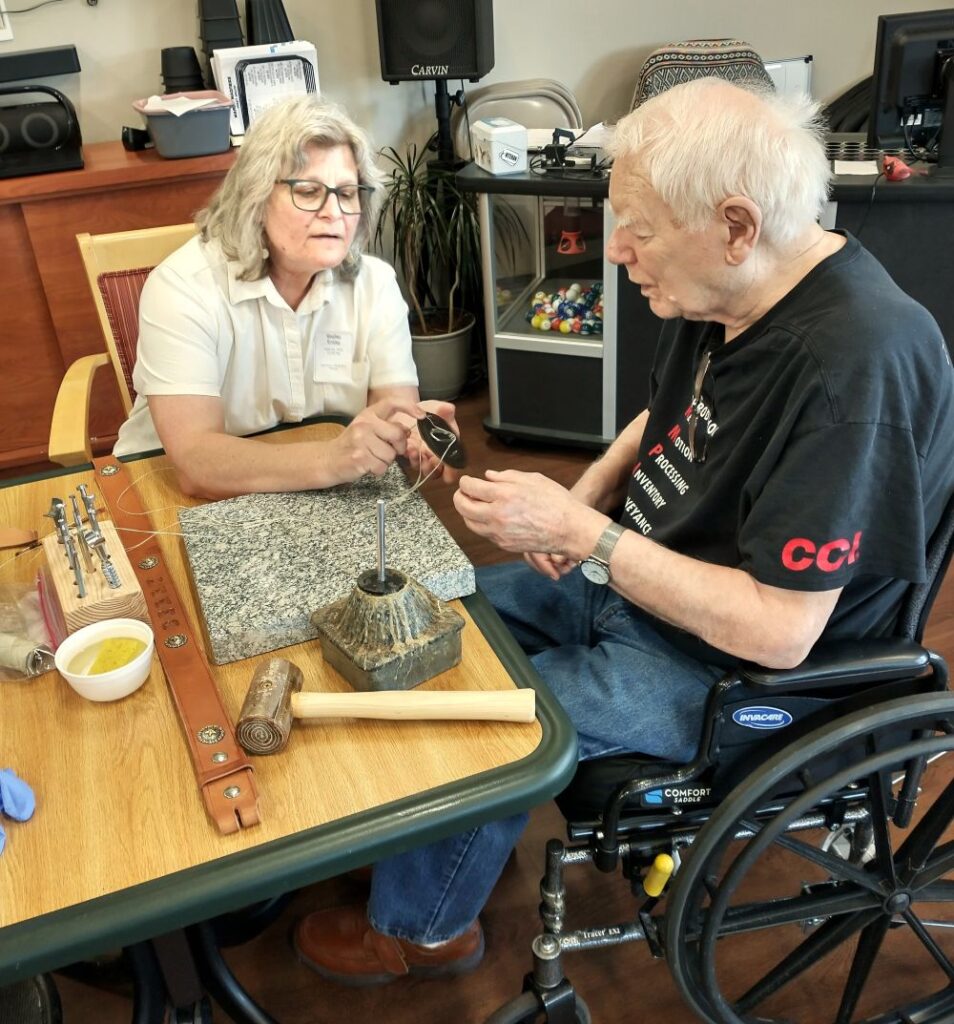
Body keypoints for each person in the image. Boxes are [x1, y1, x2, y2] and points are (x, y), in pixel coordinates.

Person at [292, 78, 954, 983]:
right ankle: (436, 840)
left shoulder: (856, 371)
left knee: (492, 721)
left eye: (638, 228)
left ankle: (423, 926)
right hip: (646, 588)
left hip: (733, 673)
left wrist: (589, 537)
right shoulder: (740, 293)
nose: (614, 250)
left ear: (734, 225)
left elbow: (779, 630)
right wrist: (593, 494)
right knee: (445, 618)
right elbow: (674, 415)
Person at [114, 95, 457, 499]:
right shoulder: (182, 287)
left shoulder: (376, 284)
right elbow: (195, 464)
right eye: (309, 191)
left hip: (318, 489)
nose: (334, 213)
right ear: (255, 197)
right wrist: (331, 458)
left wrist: (414, 435)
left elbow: (394, 410)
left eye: (347, 194)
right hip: (169, 491)